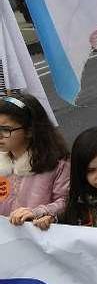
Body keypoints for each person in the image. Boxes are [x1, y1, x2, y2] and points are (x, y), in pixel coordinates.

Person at [0, 95, 69, 230]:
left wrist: (38, 212)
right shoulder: (3, 163)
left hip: (39, 242)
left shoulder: (57, 163)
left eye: (6, 130)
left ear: (30, 131)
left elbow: (66, 202)